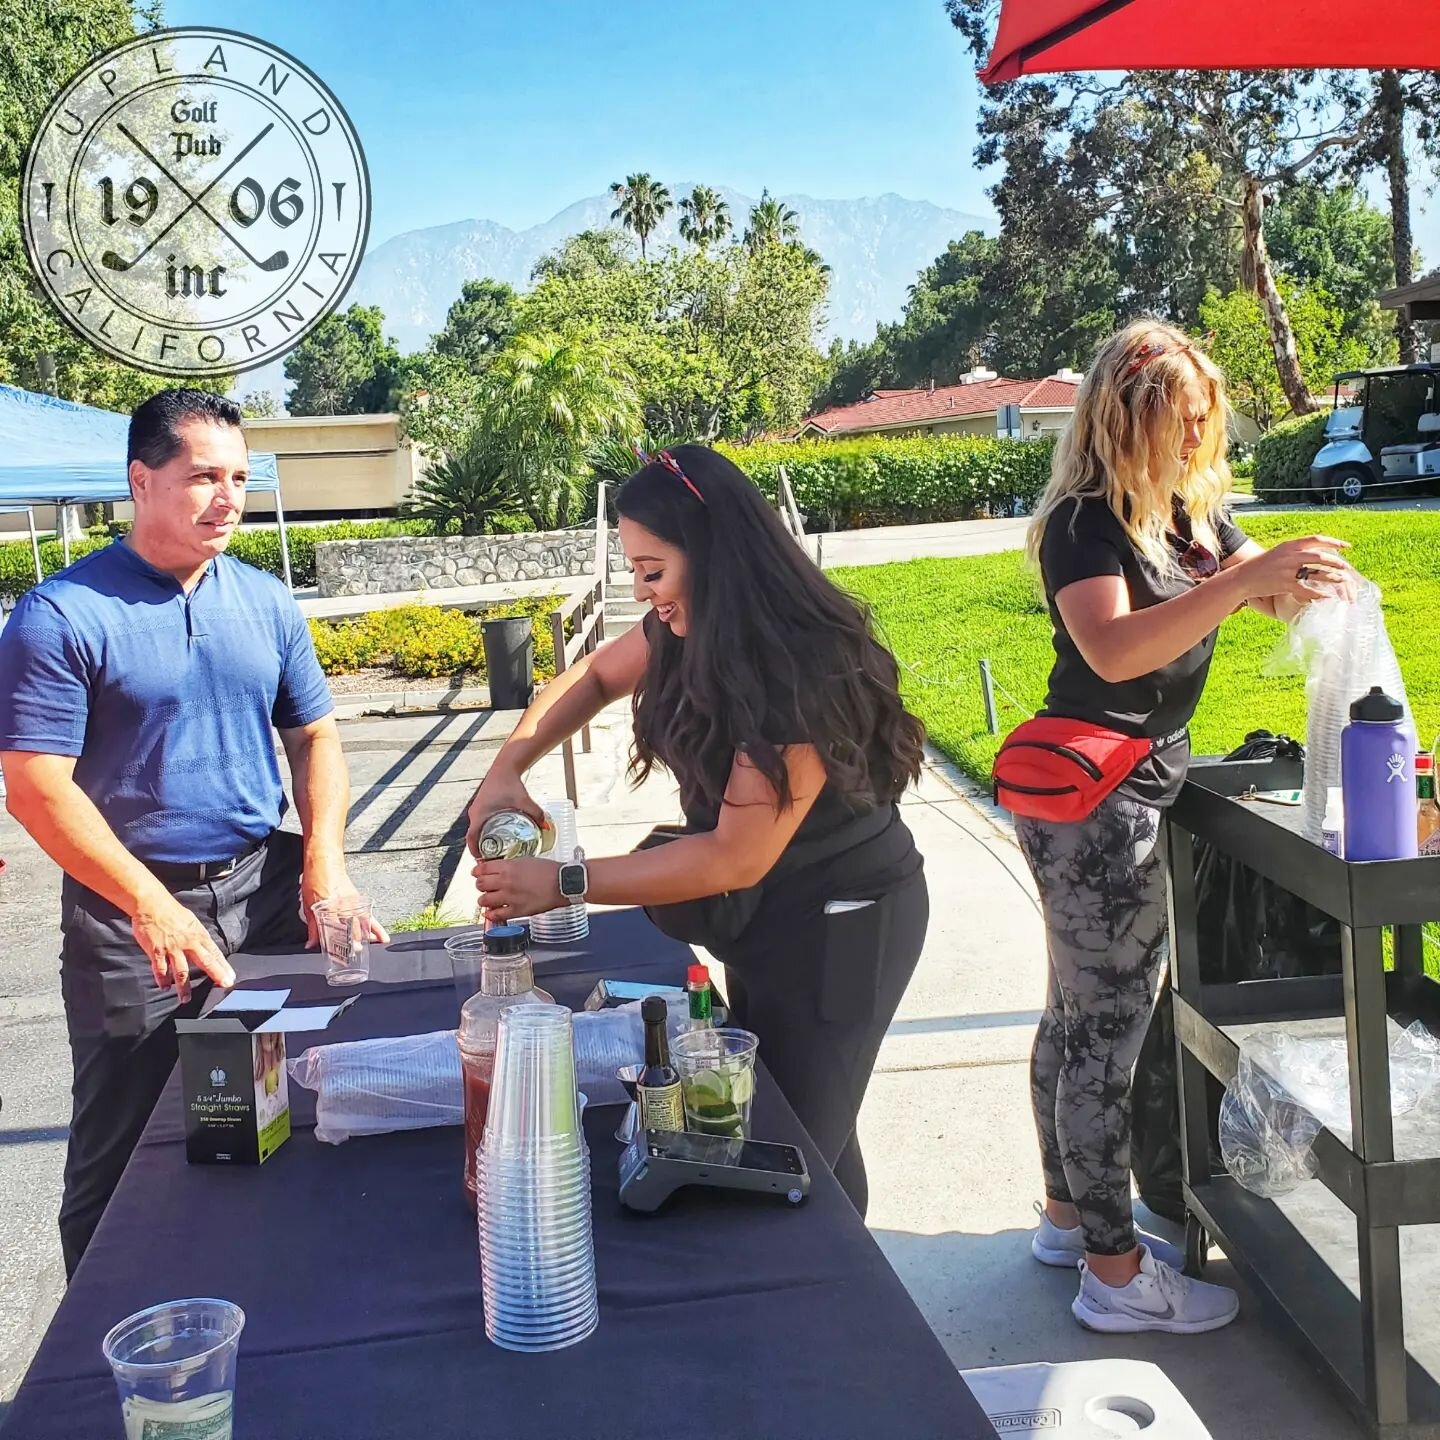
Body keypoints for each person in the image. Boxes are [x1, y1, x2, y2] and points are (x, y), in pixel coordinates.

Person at [468, 445, 928, 1214]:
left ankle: (828, 1320)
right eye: (635, 574)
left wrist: (566, 882)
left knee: (788, 1152)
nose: (648, 596)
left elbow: (732, 856)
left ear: (715, 555)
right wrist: (507, 768)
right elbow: (592, 677)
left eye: (655, 571)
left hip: (846, 929)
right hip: (773, 922)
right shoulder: (688, 630)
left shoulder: (800, 665)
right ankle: (848, 1310)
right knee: (805, 1131)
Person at [1015, 319, 1353, 1334]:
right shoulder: (1086, 520)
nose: (1202, 431)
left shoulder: (1190, 514)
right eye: (1182, 416)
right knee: (1105, 1039)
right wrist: (1241, 581)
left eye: (1208, 414)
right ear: (1125, 418)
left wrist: (1317, 595)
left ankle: (1068, 1218)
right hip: (1093, 806)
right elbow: (1114, 651)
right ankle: (1116, 1281)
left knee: (1073, 1020)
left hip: (1125, 794)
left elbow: (1262, 589)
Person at [0, 388, 387, 1276]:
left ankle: (274, 1286)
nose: (228, 497)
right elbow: (34, 789)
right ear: (141, 481)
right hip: (129, 915)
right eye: (203, 476)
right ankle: (91, 1375)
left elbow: (315, 734)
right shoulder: (61, 615)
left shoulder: (264, 599)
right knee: (128, 1140)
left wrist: (324, 860)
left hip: (266, 890)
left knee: (287, 1094)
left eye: (240, 477)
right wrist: (148, 904)